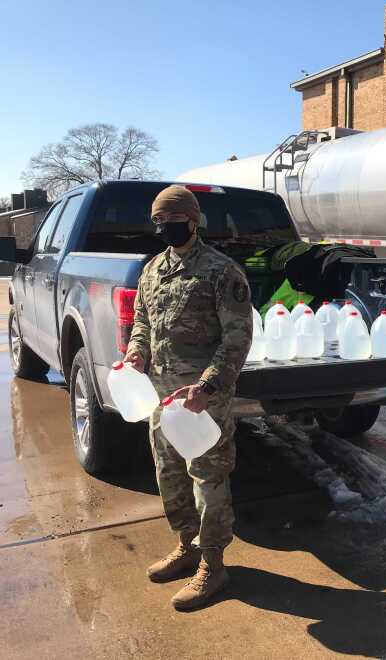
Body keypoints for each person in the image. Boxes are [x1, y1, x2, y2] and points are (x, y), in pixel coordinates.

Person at [124, 185, 253, 610]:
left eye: (171, 221)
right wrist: (135, 352)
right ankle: (187, 545)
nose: (163, 228)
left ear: (192, 222)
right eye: (158, 221)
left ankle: (213, 565)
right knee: (169, 475)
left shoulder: (221, 272)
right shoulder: (153, 270)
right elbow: (142, 320)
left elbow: (237, 338)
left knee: (208, 479)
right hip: (162, 398)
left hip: (203, 399)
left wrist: (209, 386)